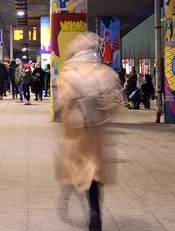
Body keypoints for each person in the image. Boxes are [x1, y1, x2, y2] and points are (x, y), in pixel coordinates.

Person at [55, 32, 120, 231]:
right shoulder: (105, 73)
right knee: (94, 174)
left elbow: (63, 103)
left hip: (76, 133)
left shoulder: (68, 73)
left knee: (77, 170)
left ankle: (80, 200)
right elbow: (115, 102)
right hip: (97, 132)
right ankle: (95, 211)